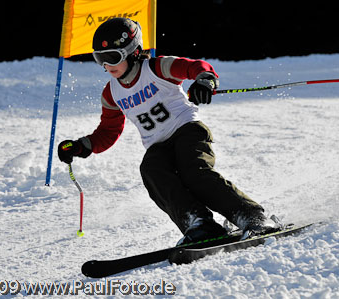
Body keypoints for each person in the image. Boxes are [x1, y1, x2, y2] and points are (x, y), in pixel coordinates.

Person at [58, 18, 279, 245]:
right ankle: (199, 223)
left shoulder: (156, 68)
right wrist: (81, 146)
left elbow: (194, 66)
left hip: (187, 130)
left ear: (132, 52)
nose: (107, 65)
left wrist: (205, 80)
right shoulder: (111, 93)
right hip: (158, 145)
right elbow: (108, 131)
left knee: (193, 171)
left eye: (112, 57)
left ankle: (252, 216)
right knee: (151, 171)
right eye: (99, 59)